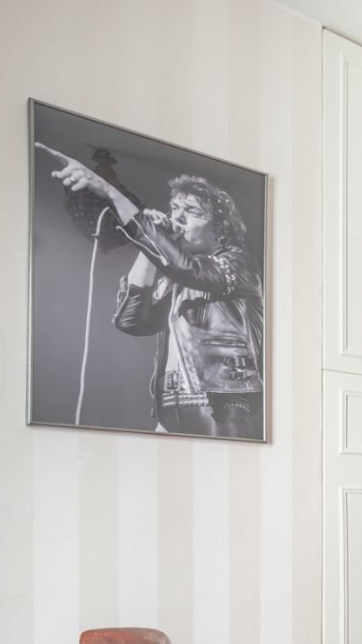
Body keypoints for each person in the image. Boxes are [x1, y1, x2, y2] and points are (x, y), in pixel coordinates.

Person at [37, 143, 264, 438]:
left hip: (221, 404)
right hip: (167, 406)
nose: (178, 217)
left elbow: (190, 270)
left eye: (192, 211)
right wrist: (149, 248)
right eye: (175, 209)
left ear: (219, 229)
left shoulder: (238, 263)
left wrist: (111, 192)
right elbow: (129, 320)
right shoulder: (175, 278)